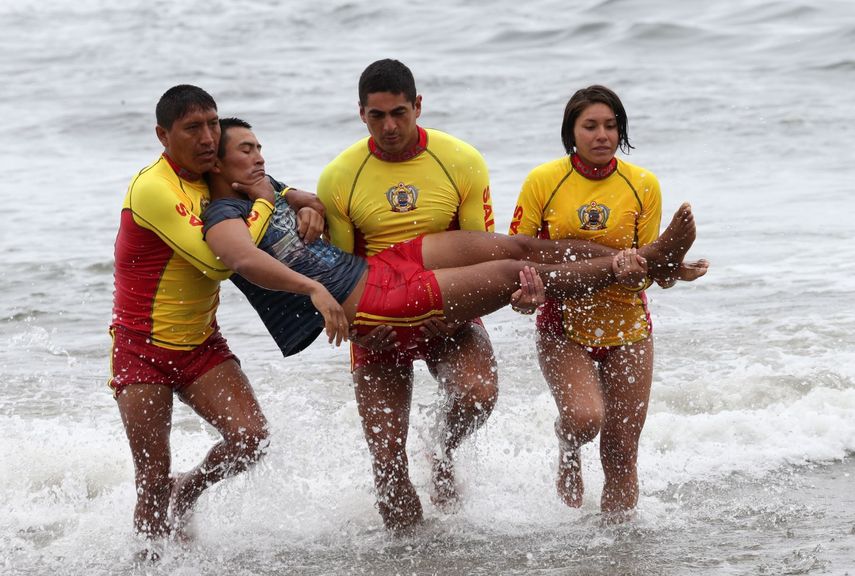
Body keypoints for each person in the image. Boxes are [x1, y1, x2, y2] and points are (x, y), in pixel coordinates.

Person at [201, 117, 704, 532]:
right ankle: (412, 552)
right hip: (371, 303)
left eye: (260, 146)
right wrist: (312, 287)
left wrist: (299, 200)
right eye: (247, 150)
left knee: (515, 248)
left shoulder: (263, 187)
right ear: (219, 163)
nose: (260, 157)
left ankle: (648, 260)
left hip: (380, 266)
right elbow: (243, 259)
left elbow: (311, 202)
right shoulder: (224, 213)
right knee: (511, 278)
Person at [108, 85, 322, 547]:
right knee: (150, 479)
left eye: (212, 123)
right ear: (163, 135)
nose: (208, 137)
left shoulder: (214, 172)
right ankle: (149, 565)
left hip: (201, 345)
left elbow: (286, 189)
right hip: (140, 349)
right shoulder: (153, 188)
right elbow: (218, 263)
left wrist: (309, 205)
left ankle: (189, 490)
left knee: (251, 439)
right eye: (192, 128)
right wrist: (265, 203)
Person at [314, 58, 504, 530]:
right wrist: (360, 329)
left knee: (478, 396)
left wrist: (459, 315)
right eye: (376, 116)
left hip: (447, 309)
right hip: (378, 323)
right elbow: (341, 273)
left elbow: (482, 254)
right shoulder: (340, 176)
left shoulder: (461, 159)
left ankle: (441, 446)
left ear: (418, 106)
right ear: (361, 114)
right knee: (387, 464)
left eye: (399, 112)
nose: (389, 126)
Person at [509, 85, 709, 521]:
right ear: (572, 132)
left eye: (611, 126)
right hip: (563, 322)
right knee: (584, 420)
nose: (602, 135)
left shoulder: (643, 184)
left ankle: (618, 547)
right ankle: (566, 445)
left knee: (621, 448)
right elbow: (517, 255)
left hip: (628, 324)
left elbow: (648, 268)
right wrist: (525, 299)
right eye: (591, 126)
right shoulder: (543, 181)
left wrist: (667, 270)